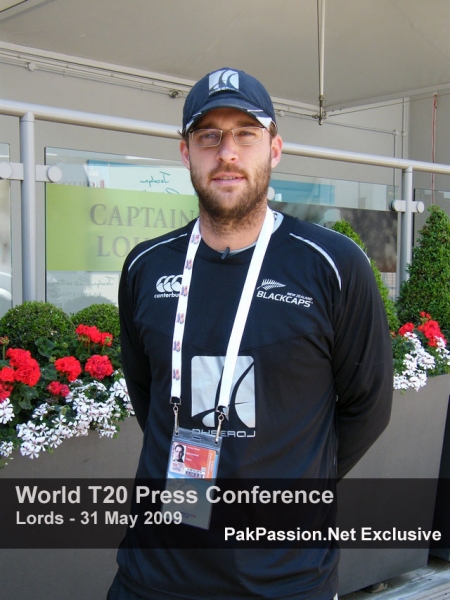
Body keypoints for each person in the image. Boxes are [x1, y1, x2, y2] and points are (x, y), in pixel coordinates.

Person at [108, 67, 393, 599]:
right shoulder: (145, 266)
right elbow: (148, 395)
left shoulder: (333, 264)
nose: (228, 152)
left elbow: (368, 405)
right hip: (156, 572)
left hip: (285, 576)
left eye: (246, 133)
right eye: (208, 135)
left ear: (275, 149)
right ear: (186, 153)